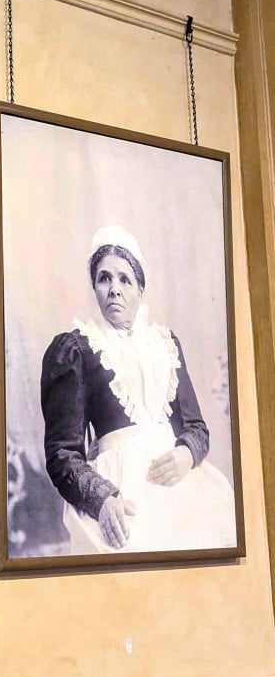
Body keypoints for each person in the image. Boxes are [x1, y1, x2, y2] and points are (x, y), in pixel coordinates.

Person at [40, 225, 236, 555]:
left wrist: (187, 454)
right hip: (121, 490)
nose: (114, 290)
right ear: (95, 288)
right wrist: (102, 499)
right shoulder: (76, 348)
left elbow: (197, 428)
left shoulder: (166, 344)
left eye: (124, 280)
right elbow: (63, 453)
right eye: (104, 279)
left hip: (179, 483)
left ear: (140, 289)